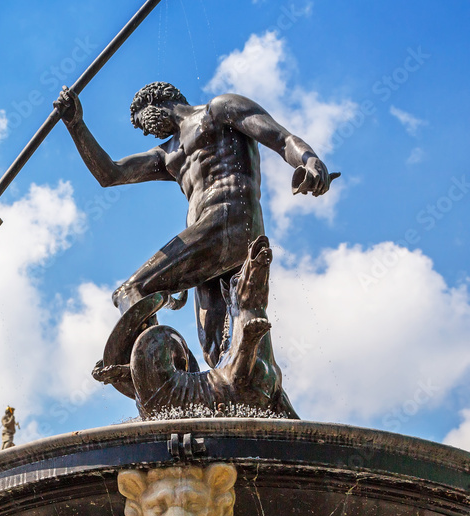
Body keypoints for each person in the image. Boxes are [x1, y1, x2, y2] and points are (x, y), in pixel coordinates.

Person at [54, 82, 333, 367]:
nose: (145, 131)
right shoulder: (168, 153)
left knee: (132, 291)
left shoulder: (219, 109)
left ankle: (162, 368)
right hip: (206, 241)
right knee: (217, 350)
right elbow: (111, 174)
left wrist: (310, 161)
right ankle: (226, 385)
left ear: (154, 102)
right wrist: (76, 125)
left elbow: (281, 138)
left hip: (230, 219)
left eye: (141, 121)